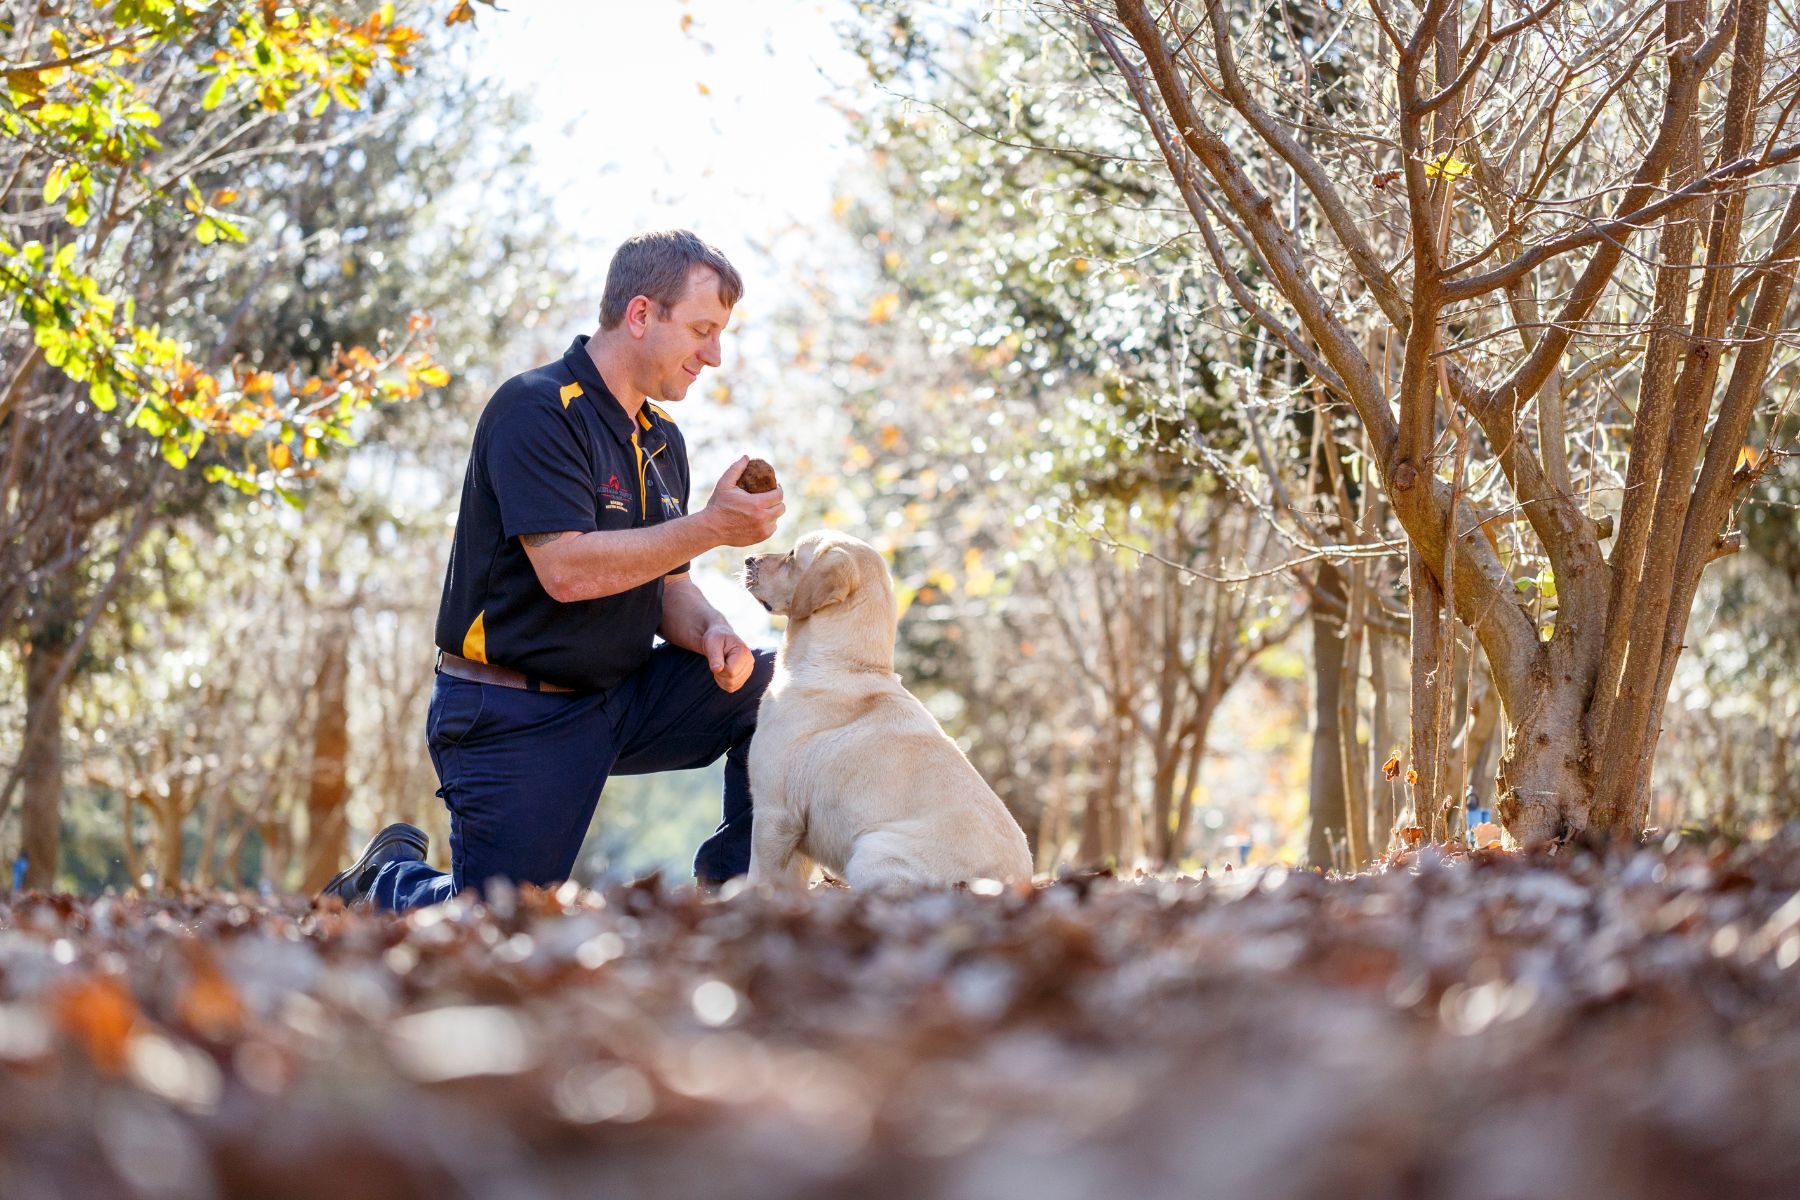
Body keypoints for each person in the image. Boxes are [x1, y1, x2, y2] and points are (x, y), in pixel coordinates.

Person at [318, 230, 784, 910]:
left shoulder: (663, 441)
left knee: (774, 687)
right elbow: (565, 571)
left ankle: (735, 896)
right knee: (496, 923)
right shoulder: (535, 408)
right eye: (703, 330)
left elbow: (668, 588)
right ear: (641, 314)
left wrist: (713, 630)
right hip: (510, 711)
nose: (714, 355)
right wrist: (712, 526)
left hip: (620, 697)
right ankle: (385, 880)